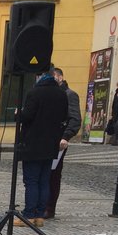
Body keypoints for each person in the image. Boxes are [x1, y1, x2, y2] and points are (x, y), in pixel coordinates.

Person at [15, 70, 68, 227]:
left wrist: (19, 114)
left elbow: (28, 116)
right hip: (50, 143)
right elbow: (64, 117)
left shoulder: (35, 92)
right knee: (44, 180)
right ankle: (39, 216)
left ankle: (29, 215)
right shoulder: (61, 94)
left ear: (39, 77)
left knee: (31, 181)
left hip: (33, 143)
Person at [46, 67, 82, 219]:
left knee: (53, 174)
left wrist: (66, 136)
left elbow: (75, 118)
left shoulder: (69, 95)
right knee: (45, 173)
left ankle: (49, 208)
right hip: (48, 138)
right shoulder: (53, 94)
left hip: (59, 139)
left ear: (59, 77)